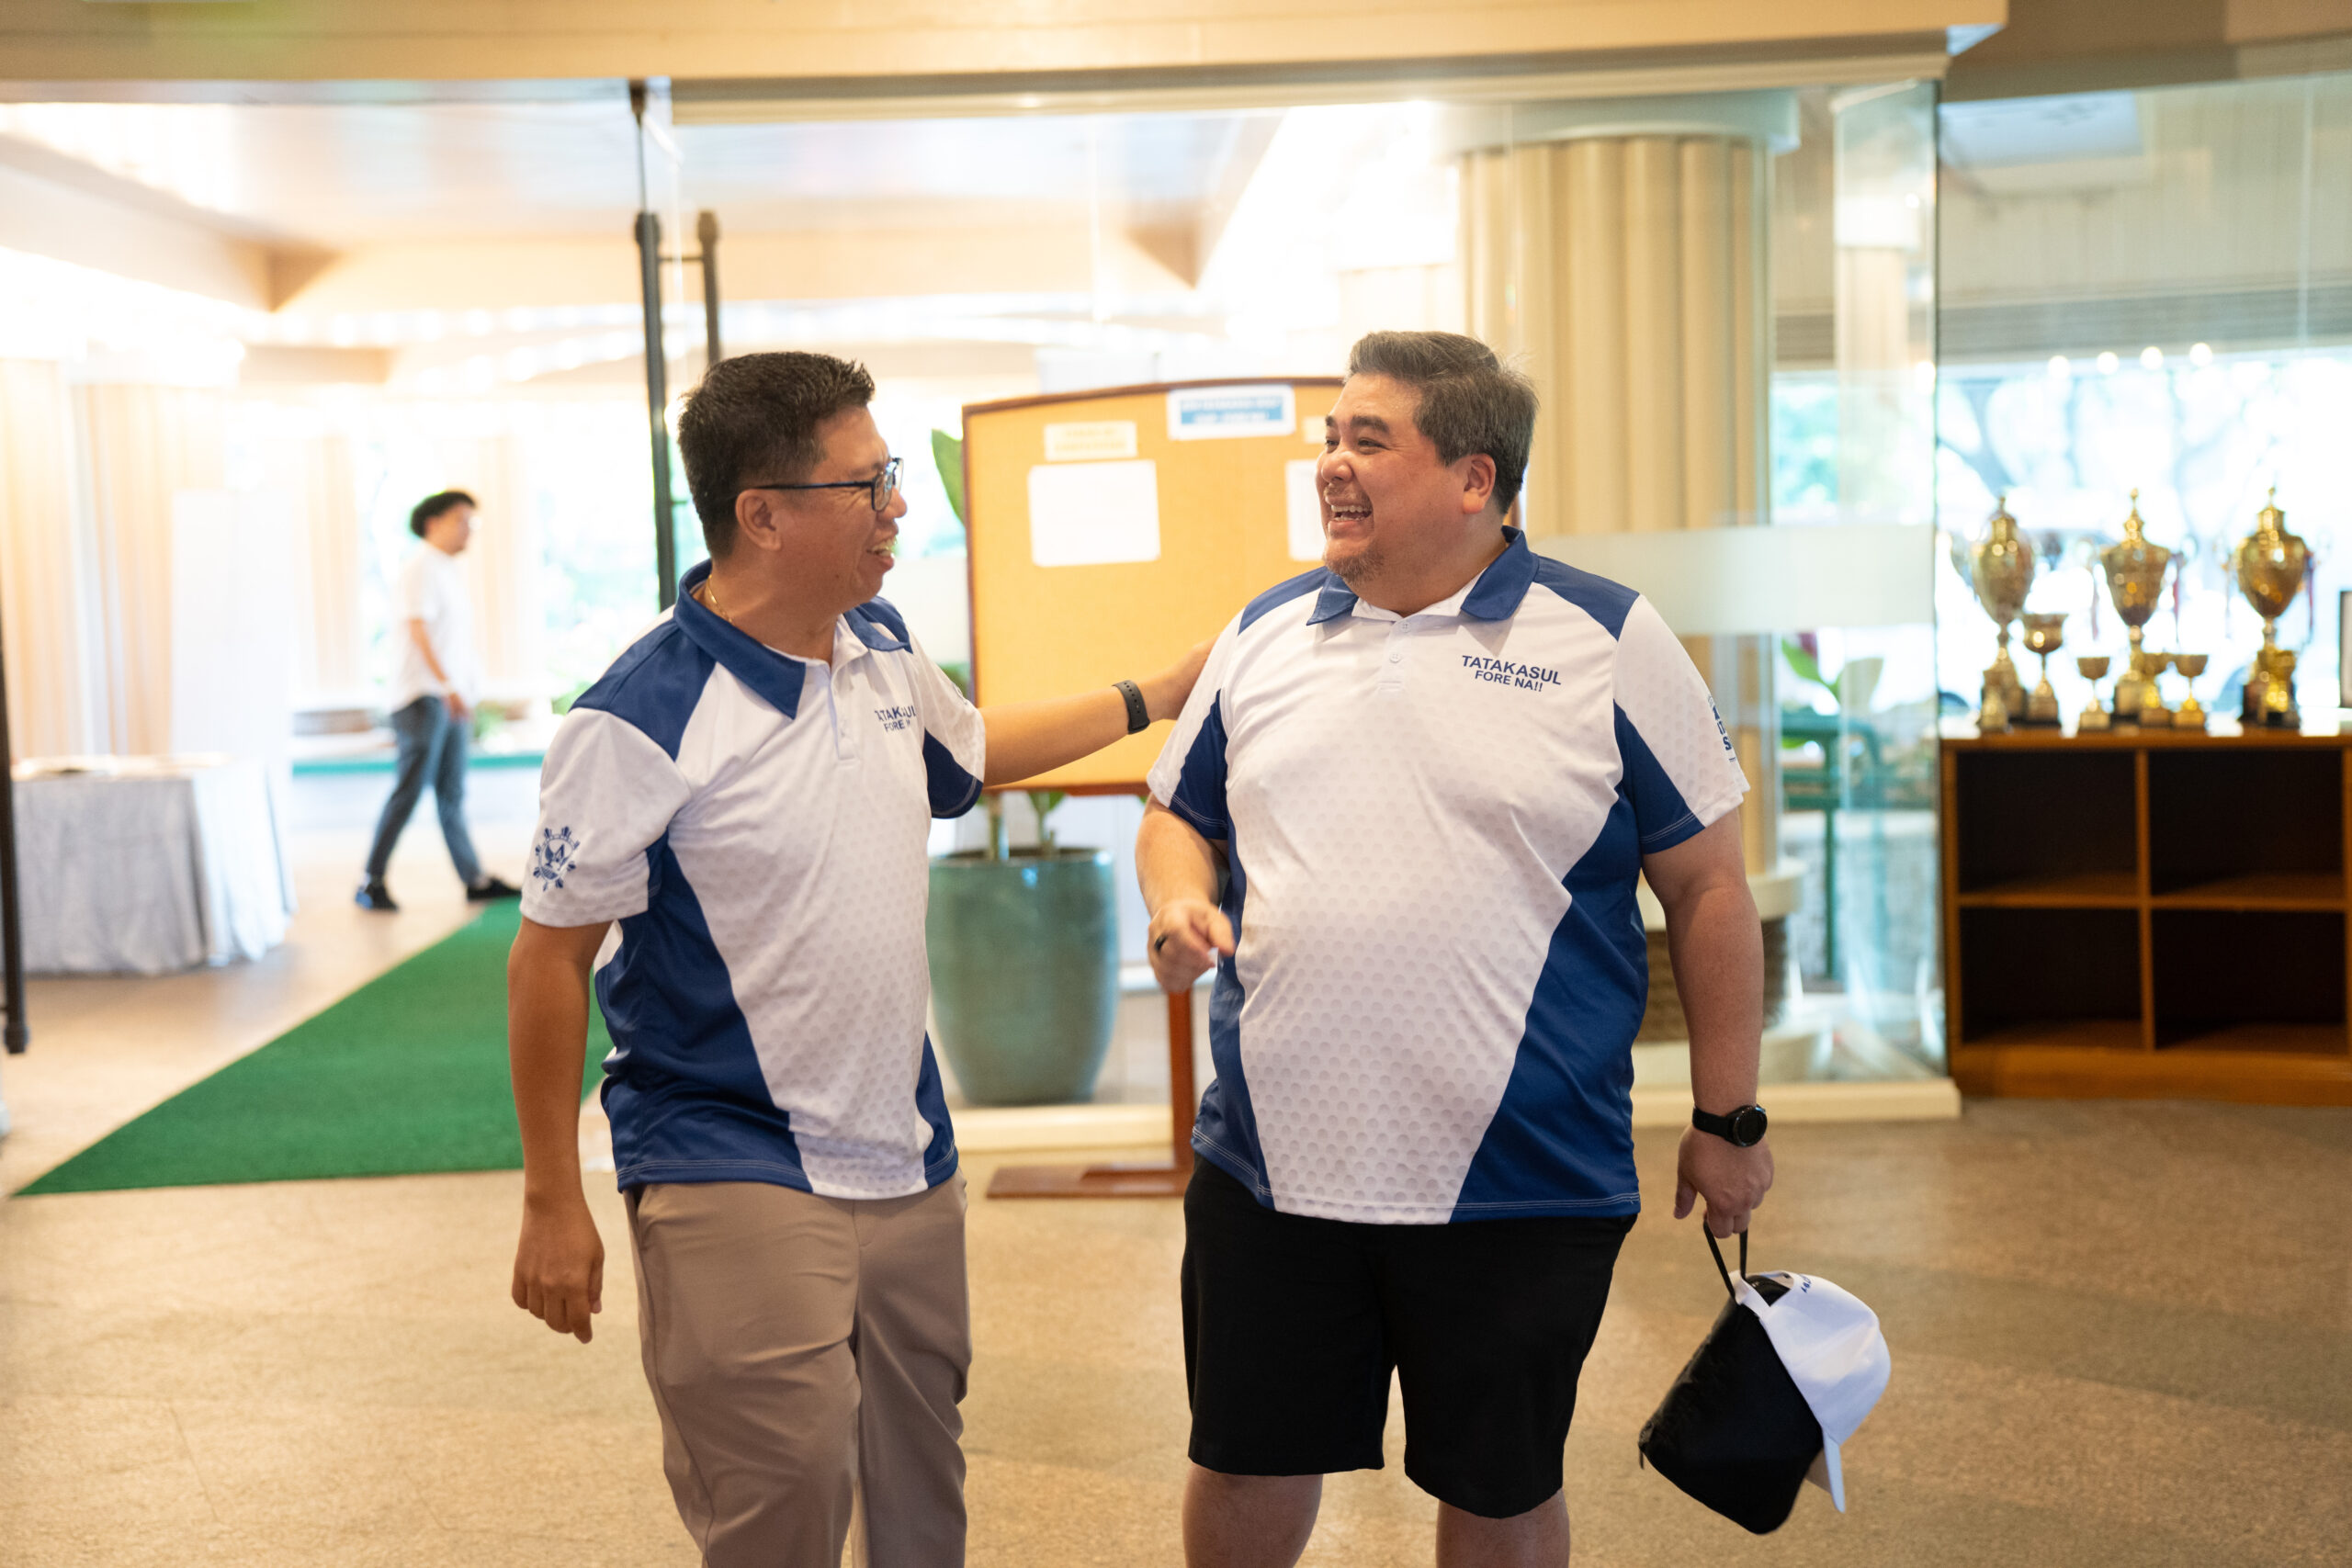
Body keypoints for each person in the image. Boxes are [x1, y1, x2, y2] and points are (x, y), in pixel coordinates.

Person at [504, 350, 1206, 1568]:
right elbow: (546, 963)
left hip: (904, 1148)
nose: (898, 506)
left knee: (921, 1496)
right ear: (762, 515)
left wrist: (1158, 693)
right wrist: (550, 1197)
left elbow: (969, 750)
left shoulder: (877, 641)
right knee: (783, 1491)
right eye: (868, 483)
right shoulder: (634, 717)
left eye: (889, 476)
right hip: (726, 1148)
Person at [1137, 330, 1776, 1568]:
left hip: (1522, 1178)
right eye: (1331, 436)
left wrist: (1729, 1117)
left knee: (1501, 1481)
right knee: (1246, 1457)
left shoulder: (1610, 638)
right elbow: (1179, 812)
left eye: (1368, 439)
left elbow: (1707, 887)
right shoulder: (1263, 632)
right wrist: (1177, 903)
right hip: (1271, 1168)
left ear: (1475, 478)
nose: (1330, 462)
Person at [356, 489, 521, 911]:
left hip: (450, 698)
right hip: (423, 697)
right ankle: (371, 880)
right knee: (410, 790)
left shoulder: (447, 571)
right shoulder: (420, 567)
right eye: (462, 521)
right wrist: (447, 685)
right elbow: (419, 629)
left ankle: (474, 878)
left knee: (451, 792)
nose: (469, 530)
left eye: (472, 522)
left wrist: (463, 689)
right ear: (433, 523)